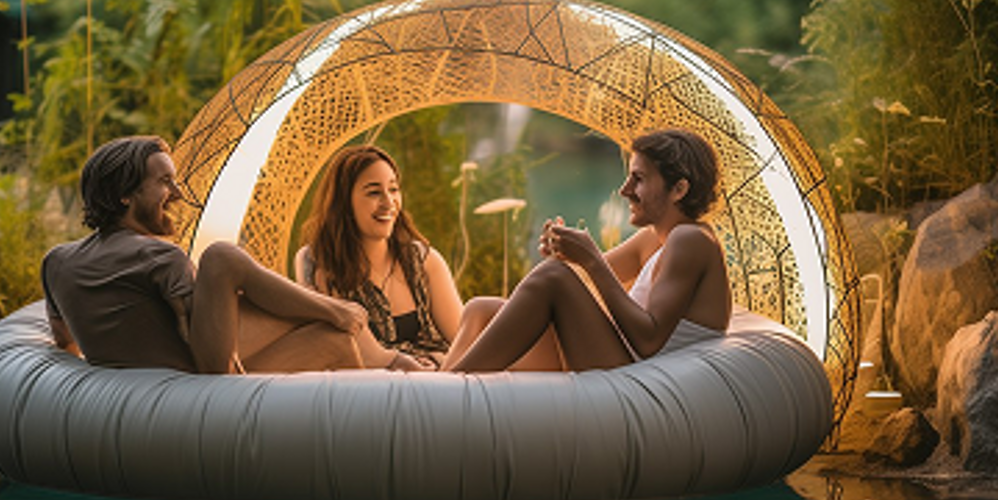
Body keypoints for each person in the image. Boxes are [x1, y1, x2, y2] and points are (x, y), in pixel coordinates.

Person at [43, 136, 421, 375]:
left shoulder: (56, 262)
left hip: (165, 375)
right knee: (223, 257)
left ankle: (364, 343)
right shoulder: (160, 258)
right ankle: (338, 312)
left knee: (334, 341)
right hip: (203, 381)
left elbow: (67, 344)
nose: (177, 194)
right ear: (125, 195)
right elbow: (211, 356)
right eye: (164, 182)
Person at [443, 128, 732, 372]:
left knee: (553, 276)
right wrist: (566, 251)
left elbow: (648, 339)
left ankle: (450, 389)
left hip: (640, 374)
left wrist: (590, 259)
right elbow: (583, 280)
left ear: (679, 189)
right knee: (480, 310)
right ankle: (431, 390)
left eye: (639, 179)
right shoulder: (653, 239)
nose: (624, 190)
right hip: (620, 355)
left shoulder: (691, 240)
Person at [294, 144, 464, 367]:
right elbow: (331, 346)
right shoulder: (316, 261)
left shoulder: (424, 262)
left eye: (393, 189)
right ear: (344, 203)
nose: (388, 203)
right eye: (374, 192)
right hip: (369, 390)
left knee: (482, 308)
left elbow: (465, 343)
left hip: (435, 382)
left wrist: (437, 360)